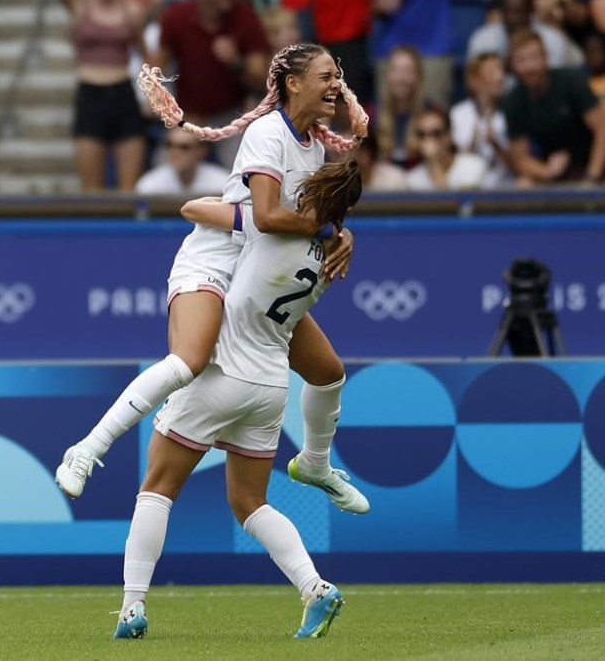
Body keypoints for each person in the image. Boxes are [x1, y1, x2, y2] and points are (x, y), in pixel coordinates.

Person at [56, 43, 370, 515]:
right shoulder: (267, 132)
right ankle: (87, 448)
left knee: (328, 374)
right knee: (189, 361)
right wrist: (325, 230)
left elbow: (310, 215)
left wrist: (342, 234)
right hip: (215, 263)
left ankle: (316, 464)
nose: (336, 84)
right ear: (294, 83)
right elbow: (267, 215)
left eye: (336, 75)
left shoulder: (317, 146)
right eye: (326, 75)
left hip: (257, 276)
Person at [112, 158, 363, 640]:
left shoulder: (266, 230)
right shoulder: (329, 254)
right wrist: (336, 229)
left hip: (226, 372)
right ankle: (315, 587)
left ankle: (131, 608)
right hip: (272, 385)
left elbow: (196, 209)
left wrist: (254, 205)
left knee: (157, 486)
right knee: (249, 501)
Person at [154, 0, 271, 168]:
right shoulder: (175, 16)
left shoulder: (246, 17)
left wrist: (236, 61)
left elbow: (260, 78)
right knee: (164, 170)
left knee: (246, 171)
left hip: (231, 115)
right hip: (188, 115)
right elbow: (158, 69)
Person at [501, 29, 605, 184]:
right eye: (521, 60)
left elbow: (603, 130)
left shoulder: (571, 81)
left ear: (546, 58)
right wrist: (547, 171)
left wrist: (592, 177)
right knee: (523, 183)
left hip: (592, 160)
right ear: (512, 65)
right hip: (552, 164)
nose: (529, 67)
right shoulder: (512, 101)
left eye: (534, 58)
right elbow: (520, 159)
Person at [60, 0, 148, 191]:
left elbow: (146, 54)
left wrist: (151, 95)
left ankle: (129, 221)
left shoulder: (131, 10)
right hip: (90, 94)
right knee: (91, 187)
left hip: (122, 92)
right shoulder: (80, 4)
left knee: (129, 187)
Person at [449, 52, 513, 187]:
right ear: (474, 80)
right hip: (468, 185)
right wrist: (474, 139)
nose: (499, 77)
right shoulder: (459, 113)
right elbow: (455, 162)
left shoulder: (512, 110)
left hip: (505, 185)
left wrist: (495, 144)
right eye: (492, 72)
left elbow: (518, 162)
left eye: (501, 70)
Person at [467, 0, 583, 69]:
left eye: (519, 12)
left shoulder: (554, 40)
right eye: (509, 12)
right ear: (502, 12)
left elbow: (553, 85)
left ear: (530, 12)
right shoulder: (482, 39)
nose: (513, 19)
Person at [406, 107, 488, 190]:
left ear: (449, 136)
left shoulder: (473, 167)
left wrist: (434, 162)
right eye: (422, 135)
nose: (428, 140)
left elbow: (451, 200)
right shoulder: (413, 179)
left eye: (436, 133)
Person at [134, 126, 229, 194]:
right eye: (170, 145)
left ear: (201, 151)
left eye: (184, 147)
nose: (175, 152)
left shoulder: (223, 183)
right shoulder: (149, 185)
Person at [375, 45, 426, 169]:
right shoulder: (369, 115)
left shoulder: (431, 114)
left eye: (408, 71)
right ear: (387, 75)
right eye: (396, 70)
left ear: (418, 77)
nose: (401, 78)